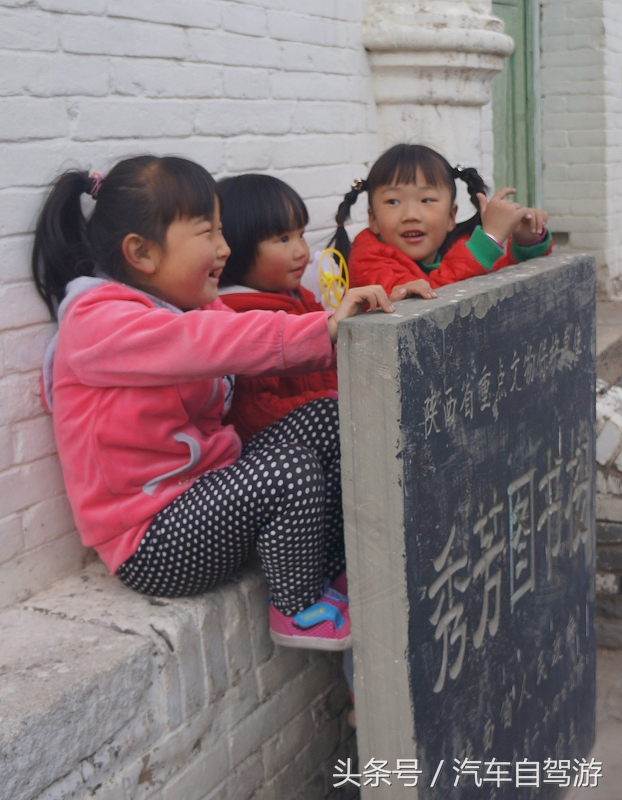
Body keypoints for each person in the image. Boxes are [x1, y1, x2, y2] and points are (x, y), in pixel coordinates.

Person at [32, 155, 394, 652]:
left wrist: (352, 320)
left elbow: (237, 338)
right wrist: (325, 327)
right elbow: (215, 340)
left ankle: (333, 569)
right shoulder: (101, 325)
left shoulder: (184, 303)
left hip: (207, 499)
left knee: (329, 419)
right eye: (208, 233)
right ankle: (296, 607)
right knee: (286, 470)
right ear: (141, 253)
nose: (224, 249)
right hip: (153, 542)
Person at [332, 143, 552, 302]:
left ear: (451, 217)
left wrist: (526, 243)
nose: (411, 215)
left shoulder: (456, 247)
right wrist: (488, 239)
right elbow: (432, 302)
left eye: (427, 200)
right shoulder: (367, 260)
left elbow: (500, 275)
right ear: (373, 220)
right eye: (393, 201)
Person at [217, 173, 338, 443]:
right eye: (283, 239)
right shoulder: (239, 319)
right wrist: (330, 405)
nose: (301, 252)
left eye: (301, 235)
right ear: (237, 246)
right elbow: (253, 414)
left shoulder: (297, 295)